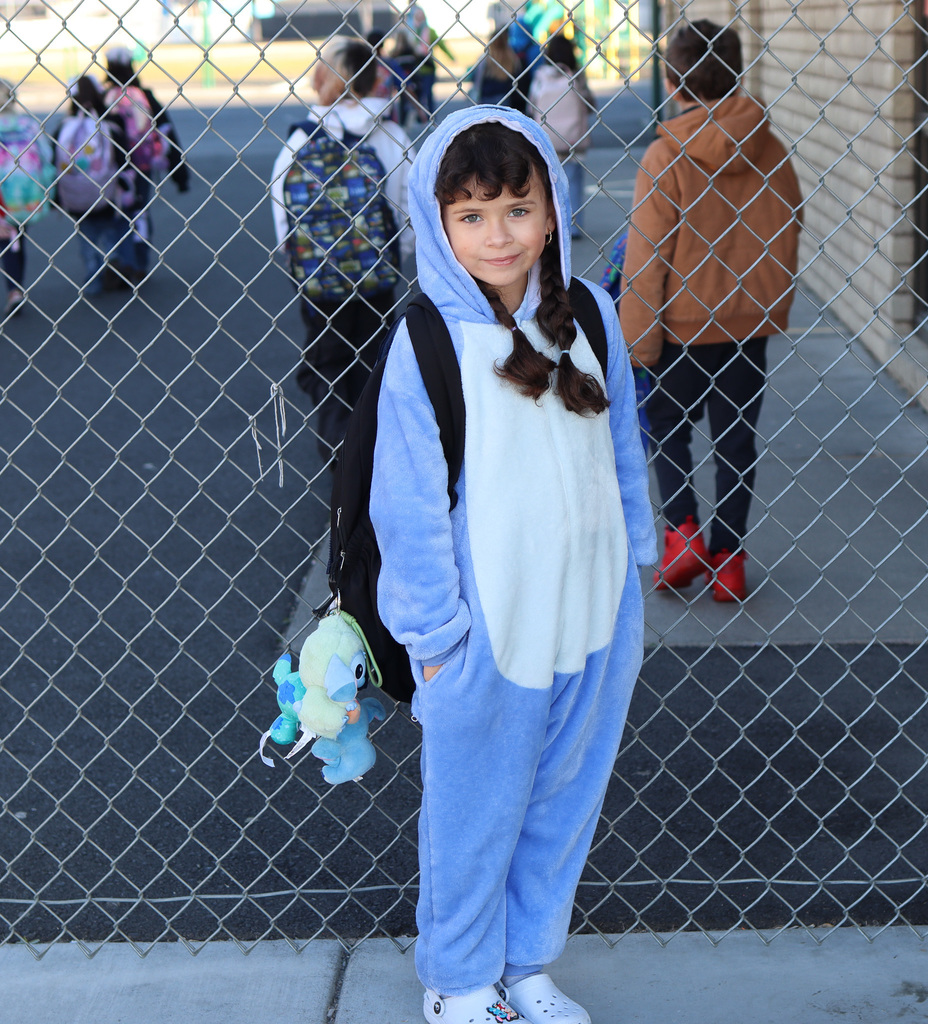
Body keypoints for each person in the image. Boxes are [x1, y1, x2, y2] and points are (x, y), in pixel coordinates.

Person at [368, 105, 656, 1024]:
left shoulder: (593, 317)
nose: (500, 236)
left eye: (519, 210)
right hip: (487, 632)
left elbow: (621, 454)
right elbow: (403, 503)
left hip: (592, 616)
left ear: (552, 210)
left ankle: (527, 961)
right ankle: (458, 978)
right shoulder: (426, 341)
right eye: (472, 215)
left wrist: (637, 567)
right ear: (437, 222)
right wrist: (436, 637)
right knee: (475, 812)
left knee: (563, 797)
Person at [619, 19, 802, 602]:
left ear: (672, 81)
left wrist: (636, 348)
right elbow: (788, 224)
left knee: (666, 427)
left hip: (680, 328)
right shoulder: (771, 147)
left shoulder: (664, 156)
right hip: (747, 327)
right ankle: (728, 559)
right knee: (737, 441)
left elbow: (644, 263)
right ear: (737, 73)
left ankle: (682, 533)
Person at [270, 36, 414, 464]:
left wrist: (298, 258)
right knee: (374, 357)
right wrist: (395, 254)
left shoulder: (301, 139)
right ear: (373, 78)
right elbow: (407, 203)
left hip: (320, 278)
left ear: (322, 79)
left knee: (327, 358)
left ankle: (337, 443)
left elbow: (282, 207)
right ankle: (375, 446)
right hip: (376, 272)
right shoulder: (391, 134)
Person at [103, 46, 189, 283]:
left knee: (116, 214)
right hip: (142, 166)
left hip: (110, 169)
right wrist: (180, 174)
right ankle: (139, 262)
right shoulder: (145, 97)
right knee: (140, 212)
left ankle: (122, 259)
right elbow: (167, 133)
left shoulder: (104, 98)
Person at [54, 74, 136, 297]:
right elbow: (124, 159)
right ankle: (113, 266)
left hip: (76, 197)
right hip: (106, 192)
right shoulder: (110, 122)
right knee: (109, 232)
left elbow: (56, 163)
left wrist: (57, 196)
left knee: (87, 237)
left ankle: (93, 277)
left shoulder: (63, 127)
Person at [527, 32, 594, 238]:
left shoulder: (540, 77)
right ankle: (574, 226)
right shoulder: (576, 76)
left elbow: (531, 106)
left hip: (546, 138)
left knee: (549, 183)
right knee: (573, 181)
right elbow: (589, 103)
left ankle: (551, 224)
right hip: (572, 140)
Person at [0, 77, 54, 316]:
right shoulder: (28, 125)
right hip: (26, 196)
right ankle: (15, 288)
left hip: (2, 195)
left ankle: (14, 289)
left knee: (7, 238)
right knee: (15, 239)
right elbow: (47, 153)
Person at [470, 25, 527, 111]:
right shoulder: (514, 59)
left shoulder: (485, 60)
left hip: (485, 100)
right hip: (507, 101)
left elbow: (475, 79)